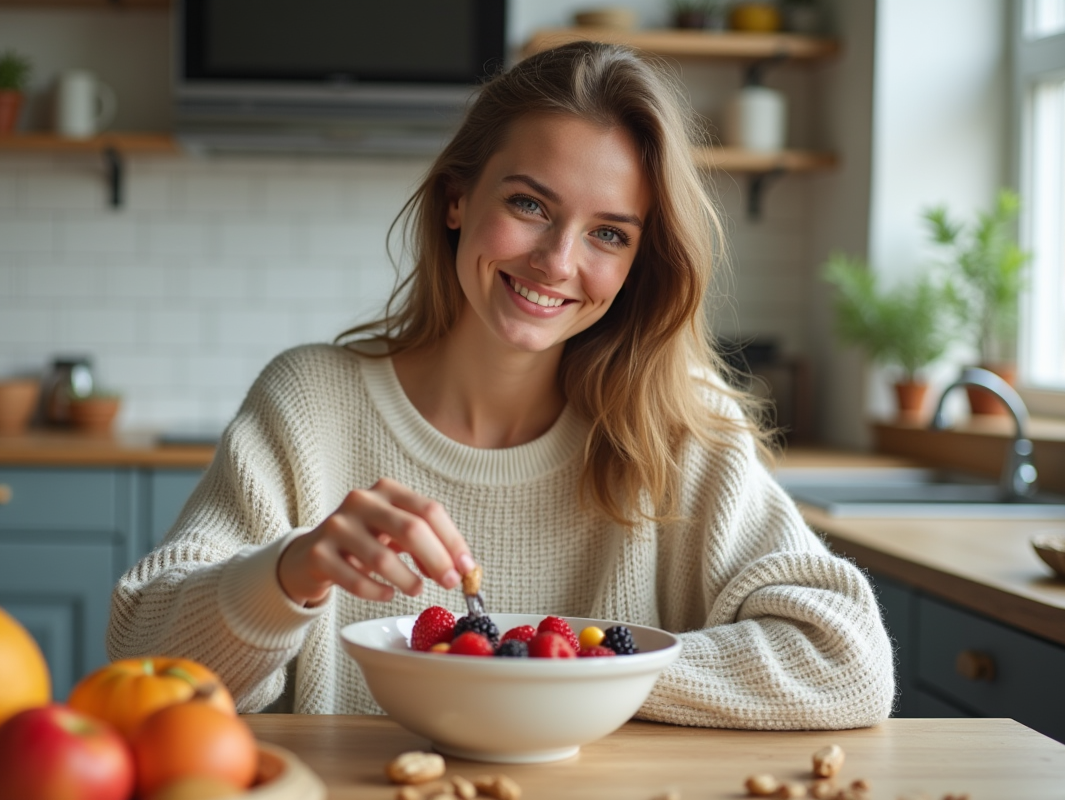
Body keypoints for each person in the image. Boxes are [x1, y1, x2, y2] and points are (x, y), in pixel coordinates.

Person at [108, 41, 895, 730]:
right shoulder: (310, 403)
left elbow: (847, 660)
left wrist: (562, 671)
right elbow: (139, 658)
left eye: (608, 234)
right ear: (457, 198)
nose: (557, 261)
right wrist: (287, 574)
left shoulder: (680, 426)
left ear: (637, 263)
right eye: (529, 204)